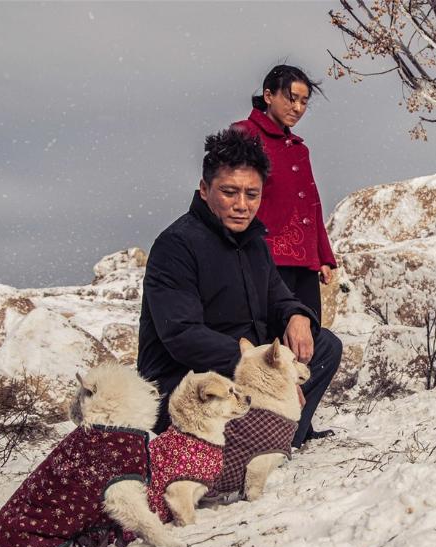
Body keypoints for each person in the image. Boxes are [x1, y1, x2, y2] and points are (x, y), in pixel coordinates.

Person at [137, 128, 342, 448]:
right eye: (229, 192)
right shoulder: (176, 246)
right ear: (205, 189)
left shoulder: (255, 243)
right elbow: (183, 337)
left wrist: (296, 315)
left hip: (245, 373)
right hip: (189, 385)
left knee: (325, 345)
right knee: (214, 399)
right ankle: (254, 443)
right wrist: (262, 375)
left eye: (252, 194)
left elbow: (279, 297)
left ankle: (276, 438)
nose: (242, 205)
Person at [231, 65, 337, 322]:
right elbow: (231, 195)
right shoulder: (244, 134)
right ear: (269, 96)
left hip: (304, 262)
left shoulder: (300, 150)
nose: (298, 108)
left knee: (308, 338)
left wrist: (323, 256)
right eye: (291, 99)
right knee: (269, 342)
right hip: (265, 258)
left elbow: (313, 205)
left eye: (303, 102)